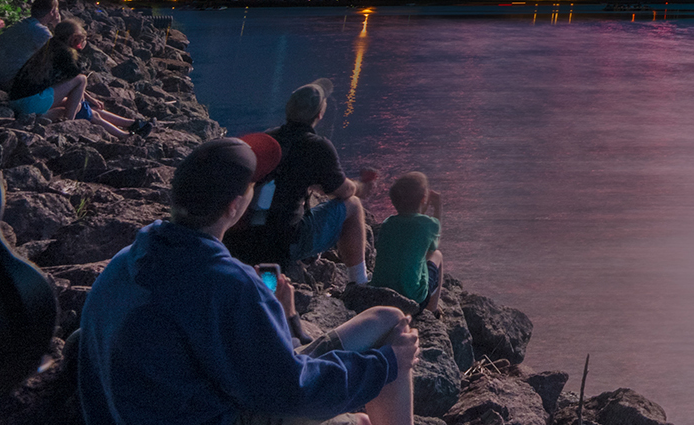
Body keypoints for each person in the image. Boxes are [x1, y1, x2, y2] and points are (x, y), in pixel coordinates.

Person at [80, 137, 417, 425]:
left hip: (168, 402)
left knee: (387, 318)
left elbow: (246, 360)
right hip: (213, 413)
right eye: (252, 184)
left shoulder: (129, 259)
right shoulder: (225, 283)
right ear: (234, 207)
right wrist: (386, 364)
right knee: (380, 376)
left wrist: (287, 318)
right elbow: (289, 391)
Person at [259, 82, 379, 282]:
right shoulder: (317, 147)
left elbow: (290, 177)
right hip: (288, 242)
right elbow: (344, 191)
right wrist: (362, 188)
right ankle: (359, 282)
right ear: (320, 114)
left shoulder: (268, 138)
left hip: (252, 236)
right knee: (353, 205)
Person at [9, 18, 149, 135]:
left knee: (76, 104)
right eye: (82, 40)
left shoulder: (50, 47)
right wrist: (88, 98)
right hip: (30, 102)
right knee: (82, 80)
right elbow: (78, 79)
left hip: (19, 101)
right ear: (74, 39)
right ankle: (68, 124)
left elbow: (69, 83)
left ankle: (128, 127)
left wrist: (89, 98)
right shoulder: (64, 53)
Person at [369, 173, 445, 310]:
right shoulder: (428, 224)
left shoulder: (388, 223)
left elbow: (414, 224)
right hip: (412, 299)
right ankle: (431, 308)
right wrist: (438, 207)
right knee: (437, 255)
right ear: (423, 199)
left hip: (379, 295)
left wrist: (421, 205)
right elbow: (433, 245)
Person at [0, 0, 58, 94]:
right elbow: (60, 54)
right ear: (52, 12)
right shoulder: (41, 32)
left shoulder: (22, 24)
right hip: (3, 82)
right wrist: (57, 25)